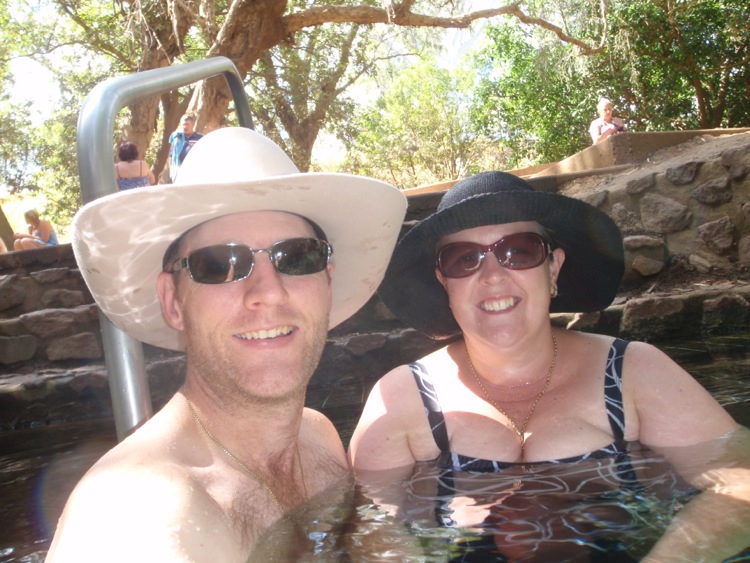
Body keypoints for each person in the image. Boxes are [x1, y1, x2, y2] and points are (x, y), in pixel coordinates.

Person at [46, 127, 407, 561]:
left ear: (327, 285)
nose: (268, 292)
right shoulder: (140, 513)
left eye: (297, 256)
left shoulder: (318, 437)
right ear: (173, 302)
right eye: (219, 264)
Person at [348, 171, 750, 561]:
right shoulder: (400, 400)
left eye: (518, 251)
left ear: (553, 266)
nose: (492, 276)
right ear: (443, 281)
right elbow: (367, 526)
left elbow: (739, 483)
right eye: (464, 259)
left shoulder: (633, 372)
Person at [168, 113, 203, 182]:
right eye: (183, 124)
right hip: (179, 171)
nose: (185, 127)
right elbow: (171, 156)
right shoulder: (177, 138)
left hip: (195, 171)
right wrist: (171, 170)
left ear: (192, 125)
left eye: (187, 124)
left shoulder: (199, 138)